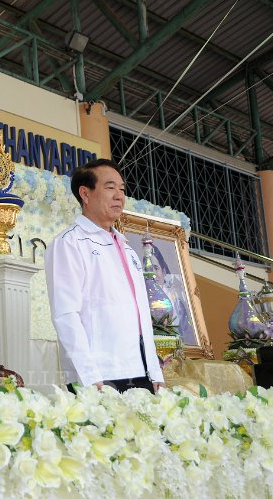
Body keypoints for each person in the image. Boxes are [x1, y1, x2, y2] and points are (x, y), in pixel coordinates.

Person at [45, 159, 164, 394]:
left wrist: (155, 371)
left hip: (140, 370)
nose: (119, 196)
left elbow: (141, 316)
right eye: (110, 187)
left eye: (122, 189)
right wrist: (89, 375)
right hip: (100, 375)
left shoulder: (128, 248)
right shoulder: (68, 243)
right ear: (85, 194)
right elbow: (65, 314)